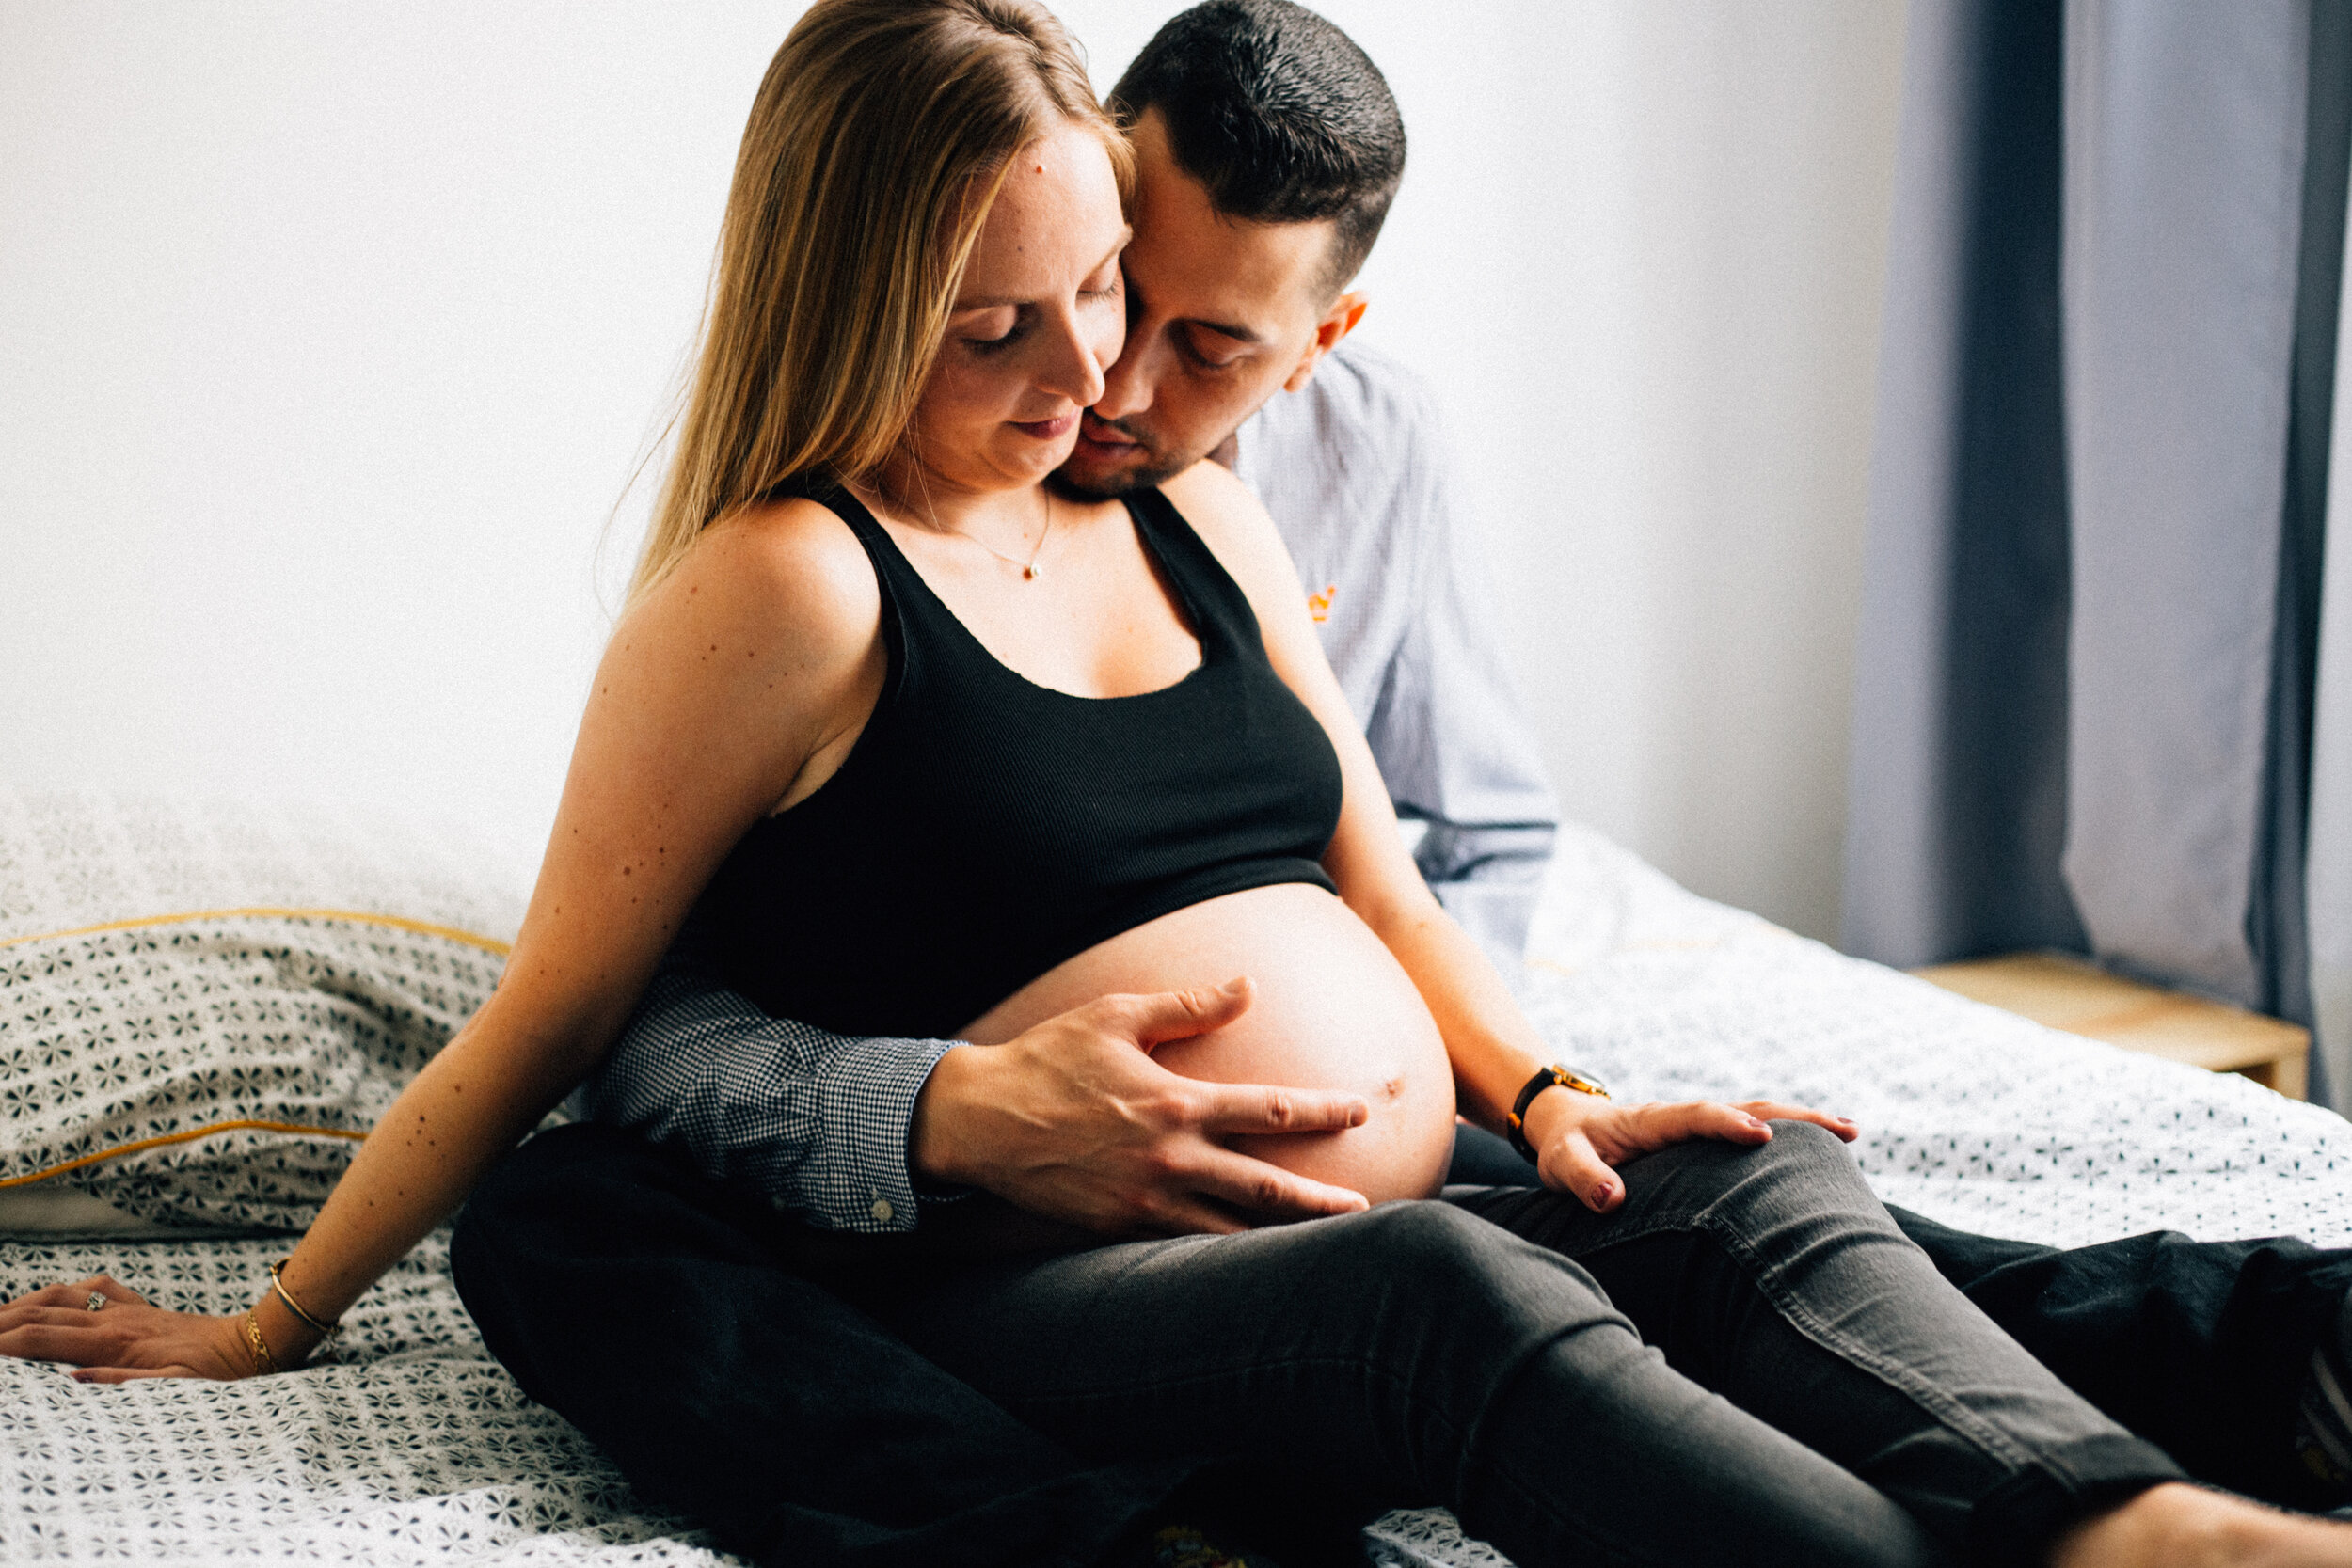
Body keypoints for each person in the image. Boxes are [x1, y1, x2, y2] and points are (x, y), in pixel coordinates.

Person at [3, 8, 2346, 1568]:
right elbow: (554, 1024)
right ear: (843, 299)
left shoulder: (1200, 506)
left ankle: (2136, 1527)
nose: (1077, 378)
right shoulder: (783, 591)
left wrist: (1549, 1088)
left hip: (1401, 1175)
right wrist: (269, 1319)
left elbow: (1378, 867)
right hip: (1024, 1277)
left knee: (1746, 1205)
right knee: (1440, 1298)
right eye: (987, 326)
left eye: (1104, 299)